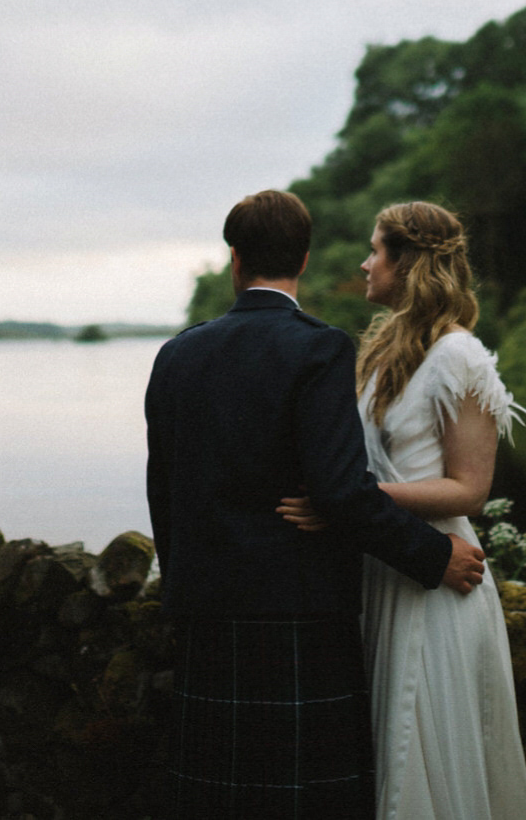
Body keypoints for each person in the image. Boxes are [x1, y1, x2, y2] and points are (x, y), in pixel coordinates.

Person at [144, 189, 488, 820]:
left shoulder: (177, 354)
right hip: (298, 608)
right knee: (304, 799)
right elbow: (336, 489)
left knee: (214, 796)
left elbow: (163, 491)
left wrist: (182, 586)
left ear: (234, 259)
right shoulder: (320, 347)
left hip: (206, 610)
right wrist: (433, 555)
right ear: (302, 260)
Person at [279, 200, 526, 820]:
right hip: (386, 566)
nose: (365, 264)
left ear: (408, 261)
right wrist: (347, 502)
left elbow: (470, 489)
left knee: (423, 746)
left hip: (439, 578)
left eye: (376, 250)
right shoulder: (387, 350)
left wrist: (347, 501)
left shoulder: (458, 355)